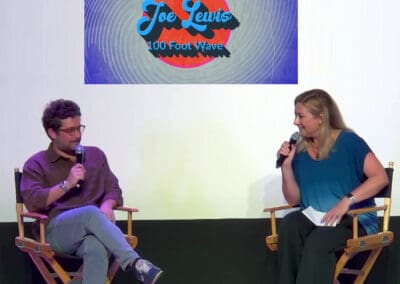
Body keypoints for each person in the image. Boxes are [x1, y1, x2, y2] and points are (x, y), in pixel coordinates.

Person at [20, 99, 163, 284]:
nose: (77, 135)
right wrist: (67, 183)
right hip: (55, 231)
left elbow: (113, 189)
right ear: (52, 132)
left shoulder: (95, 155)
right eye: (70, 130)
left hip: (94, 227)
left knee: (96, 247)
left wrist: (107, 205)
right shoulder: (36, 163)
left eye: (79, 128)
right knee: (90, 212)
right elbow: (33, 201)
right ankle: (135, 262)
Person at [276, 89, 388, 284]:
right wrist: (286, 167)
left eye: (300, 116)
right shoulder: (300, 151)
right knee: (289, 226)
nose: (295, 121)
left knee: (318, 241)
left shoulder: (349, 142)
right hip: (316, 219)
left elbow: (380, 178)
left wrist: (347, 201)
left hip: (352, 220)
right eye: (295, 115)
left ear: (321, 117)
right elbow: (293, 199)